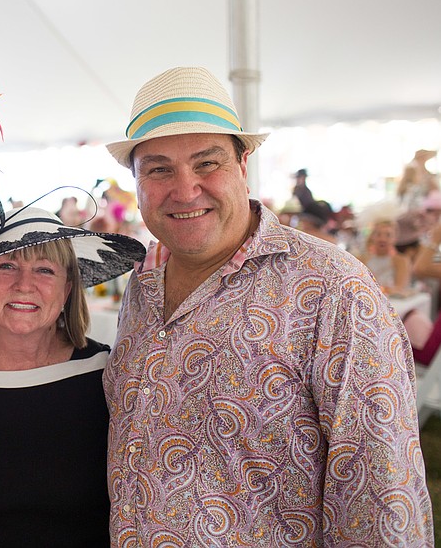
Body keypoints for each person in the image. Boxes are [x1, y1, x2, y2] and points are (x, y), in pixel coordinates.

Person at [103, 66, 433, 545]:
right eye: (158, 168)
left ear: (242, 165)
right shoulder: (144, 279)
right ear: (136, 181)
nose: (185, 188)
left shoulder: (332, 289)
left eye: (207, 162)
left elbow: (380, 497)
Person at [0, 189, 145, 547]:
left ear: (68, 289)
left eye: (44, 270)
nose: (24, 285)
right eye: (6, 266)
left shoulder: (103, 373)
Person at [358, 219, 414, 297]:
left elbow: (400, 288)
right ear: (372, 237)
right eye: (378, 234)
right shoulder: (361, 260)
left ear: (395, 238)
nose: (382, 239)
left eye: (388, 235)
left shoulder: (401, 261)